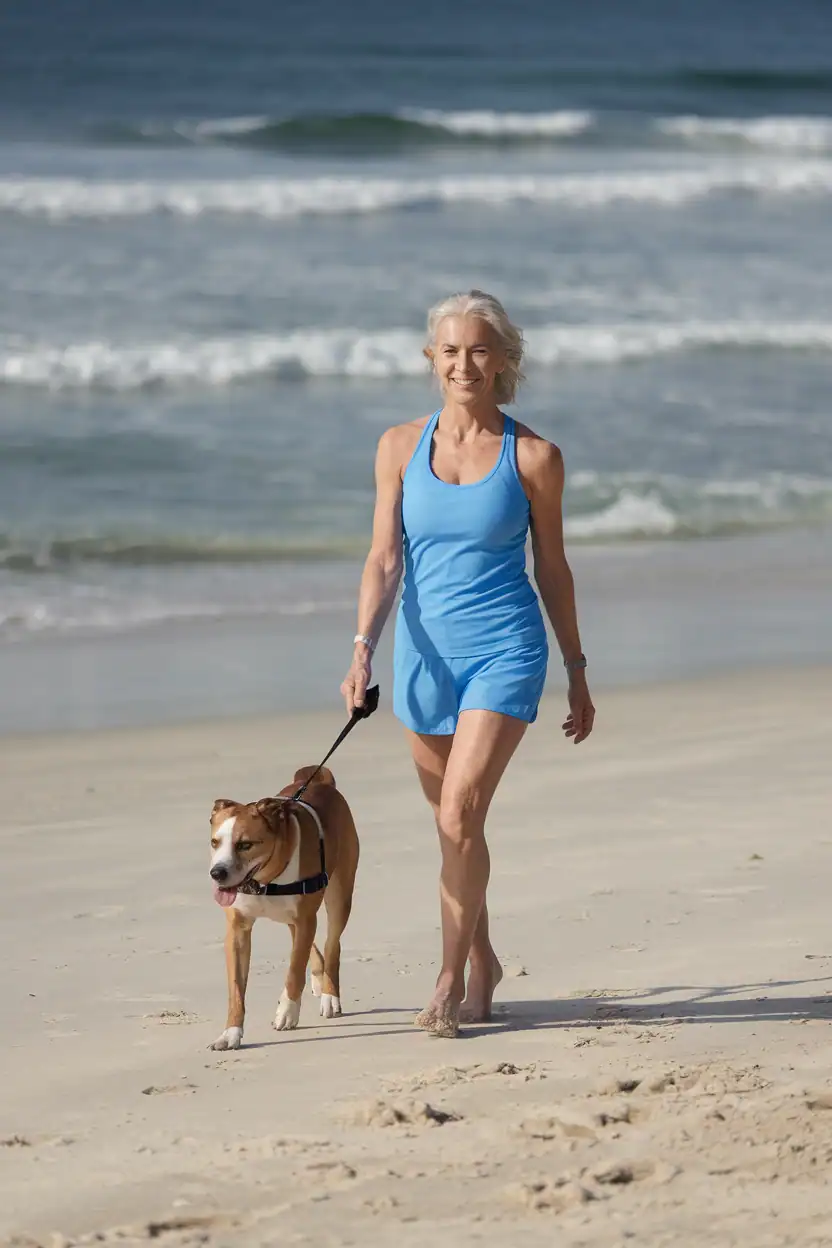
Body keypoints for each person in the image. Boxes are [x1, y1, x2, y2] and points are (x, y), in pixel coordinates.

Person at [341, 290, 595, 1037]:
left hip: (504, 650)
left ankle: (449, 979)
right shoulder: (397, 446)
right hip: (422, 654)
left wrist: (576, 669)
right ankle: (483, 957)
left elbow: (553, 568)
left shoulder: (534, 457)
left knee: (461, 812)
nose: (463, 363)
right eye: (450, 350)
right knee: (452, 828)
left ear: (503, 360)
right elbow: (384, 558)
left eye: (479, 349)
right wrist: (361, 650)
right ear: (432, 360)